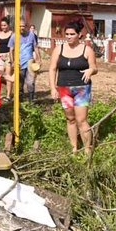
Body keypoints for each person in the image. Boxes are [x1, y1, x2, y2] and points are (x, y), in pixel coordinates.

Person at [49, 20, 98, 153]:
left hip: (82, 88)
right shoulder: (59, 49)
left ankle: (88, 150)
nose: (69, 36)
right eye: (67, 34)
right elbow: (52, 69)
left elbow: (94, 67)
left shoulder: (87, 50)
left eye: (72, 34)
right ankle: (74, 149)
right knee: (70, 119)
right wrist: (53, 88)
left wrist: (90, 70)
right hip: (64, 89)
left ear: (79, 35)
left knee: (81, 120)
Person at [8, 21, 41, 103]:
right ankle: (20, 101)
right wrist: (13, 62)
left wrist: (39, 59)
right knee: (19, 83)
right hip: (19, 63)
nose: (21, 28)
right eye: (20, 26)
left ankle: (31, 99)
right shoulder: (14, 36)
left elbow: (36, 47)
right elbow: (11, 50)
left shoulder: (31, 35)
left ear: (26, 26)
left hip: (30, 62)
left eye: (23, 26)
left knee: (31, 82)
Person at [0, 17, 14, 100]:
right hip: (0, 57)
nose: (3, 27)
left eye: (5, 25)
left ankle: (8, 95)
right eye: (2, 25)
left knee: (8, 76)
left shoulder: (12, 34)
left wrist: (12, 58)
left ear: (8, 25)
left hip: (9, 56)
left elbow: (13, 47)